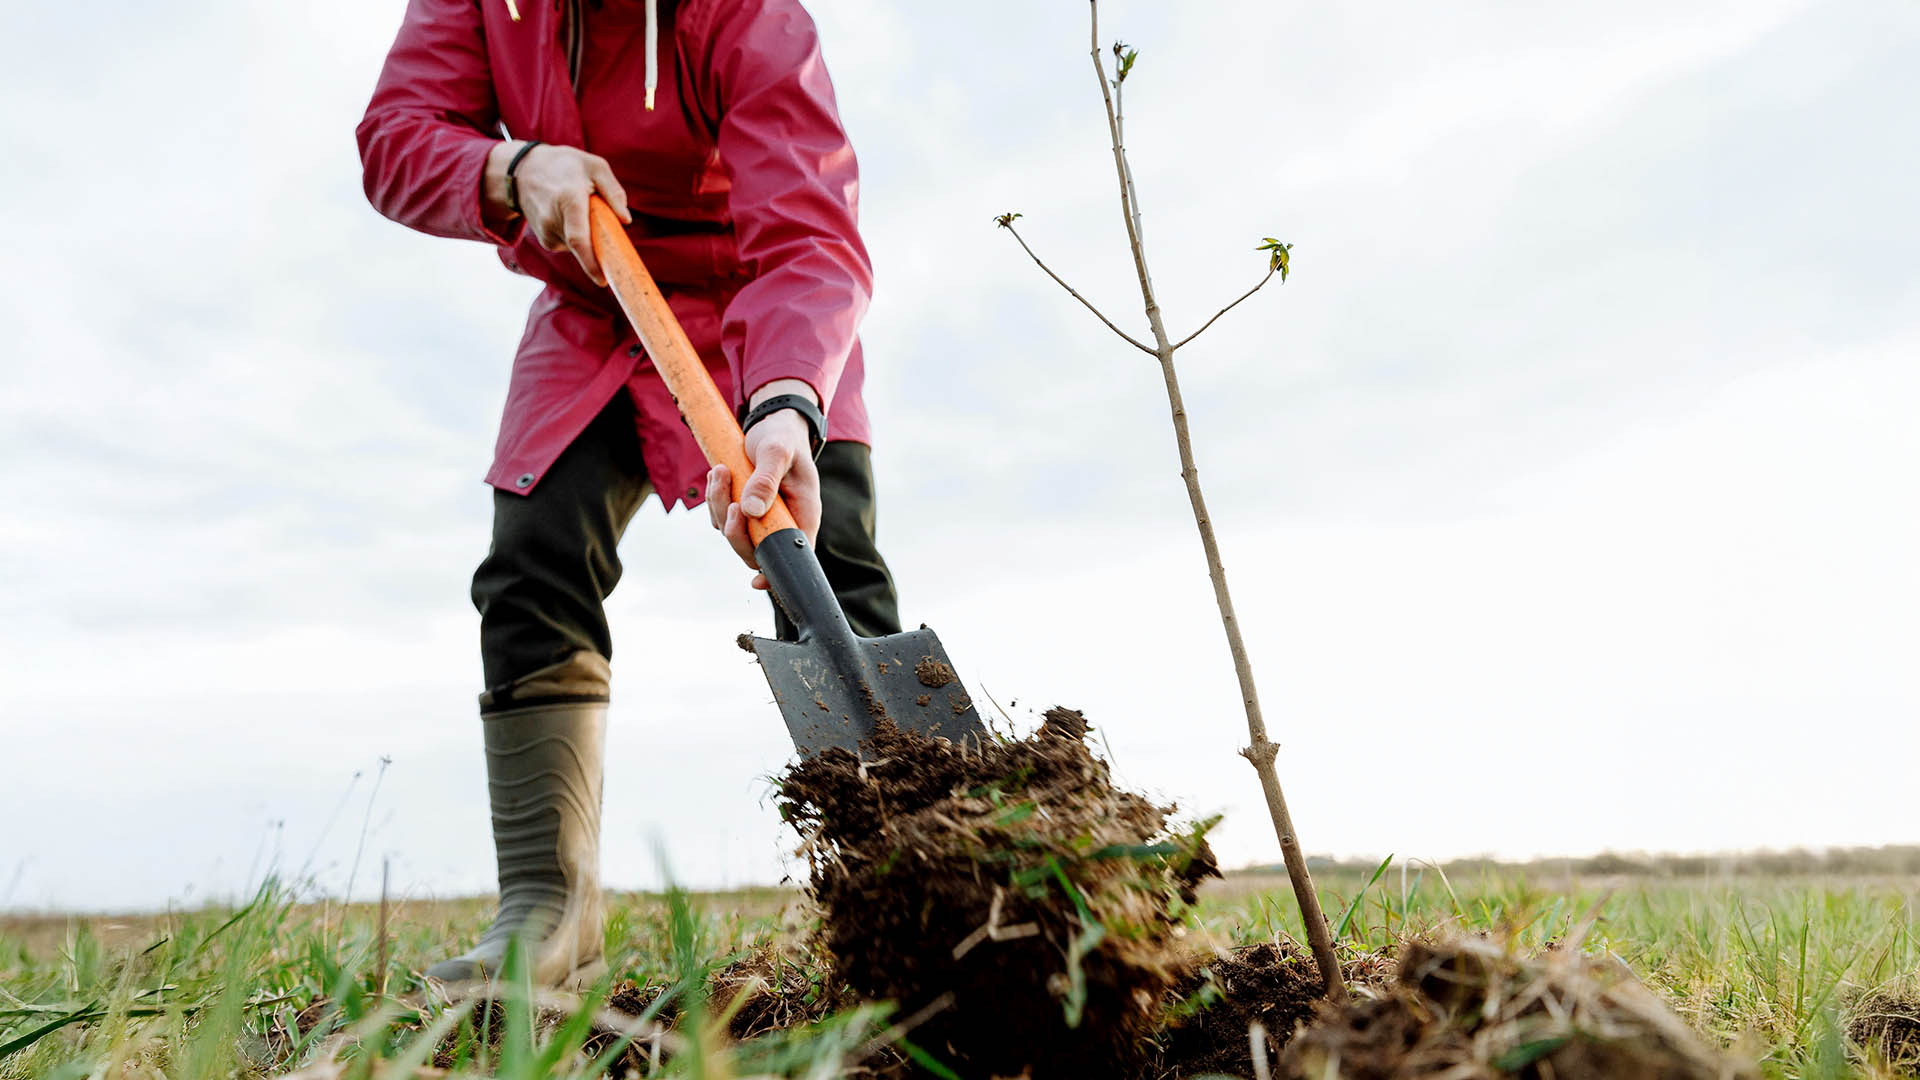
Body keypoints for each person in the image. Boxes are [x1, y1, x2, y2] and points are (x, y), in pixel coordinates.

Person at [356, 0, 897, 988]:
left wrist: (785, 405)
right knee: (534, 554)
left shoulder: (748, 16)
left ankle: (897, 888)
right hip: (596, 304)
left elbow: (808, 236)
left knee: (827, 568)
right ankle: (548, 912)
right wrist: (510, 169)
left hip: (759, 305)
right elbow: (395, 139)